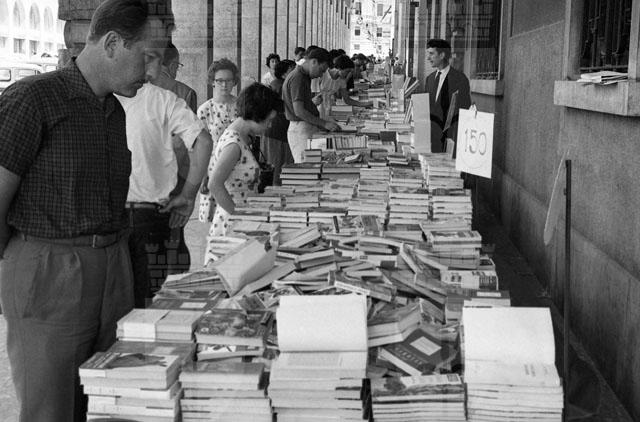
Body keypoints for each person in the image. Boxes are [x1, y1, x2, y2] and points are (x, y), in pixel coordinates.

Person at [0, 1, 149, 420]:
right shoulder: (34, 99)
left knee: (107, 402)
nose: (153, 71)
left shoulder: (113, 112)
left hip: (112, 267)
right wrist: (21, 267)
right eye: (147, 57)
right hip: (51, 269)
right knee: (51, 407)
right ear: (113, 43)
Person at [116, 48, 212, 308]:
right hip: (149, 215)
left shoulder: (98, 97)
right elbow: (203, 142)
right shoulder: (163, 99)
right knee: (148, 299)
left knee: (114, 299)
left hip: (106, 216)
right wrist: (188, 195)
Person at [205, 83, 281, 260]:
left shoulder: (242, 137)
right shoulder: (233, 144)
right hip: (232, 221)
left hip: (241, 215)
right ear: (257, 114)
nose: (269, 125)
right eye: (268, 120)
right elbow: (214, 185)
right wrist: (239, 217)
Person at [197, 58, 240, 222]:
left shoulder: (241, 106)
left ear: (234, 82)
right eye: (220, 80)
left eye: (229, 80)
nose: (224, 85)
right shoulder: (205, 110)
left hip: (239, 167)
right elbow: (200, 146)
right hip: (213, 169)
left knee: (238, 216)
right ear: (212, 82)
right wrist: (202, 176)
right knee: (217, 219)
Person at [282, 47, 340, 163]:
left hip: (305, 126)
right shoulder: (298, 78)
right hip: (300, 128)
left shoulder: (303, 76)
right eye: (321, 70)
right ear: (314, 61)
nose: (320, 75)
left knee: (312, 163)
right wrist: (324, 123)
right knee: (306, 166)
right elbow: (299, 111)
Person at [425, 38, 471, 154]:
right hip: (429, 140)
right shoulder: (429, 79)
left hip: (450, 141)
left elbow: (465, 110)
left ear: (442, 55)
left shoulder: (460, 79)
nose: (428, 58)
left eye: (431, 54)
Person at [262, 59, 296, 185]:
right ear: (284, 73)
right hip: (278, 129)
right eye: (292, 70)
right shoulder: (282, 85)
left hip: (275, 129)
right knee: (278, 165)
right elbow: (288, 107)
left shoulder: (277, 83)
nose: (295, 72)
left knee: (276, 164)